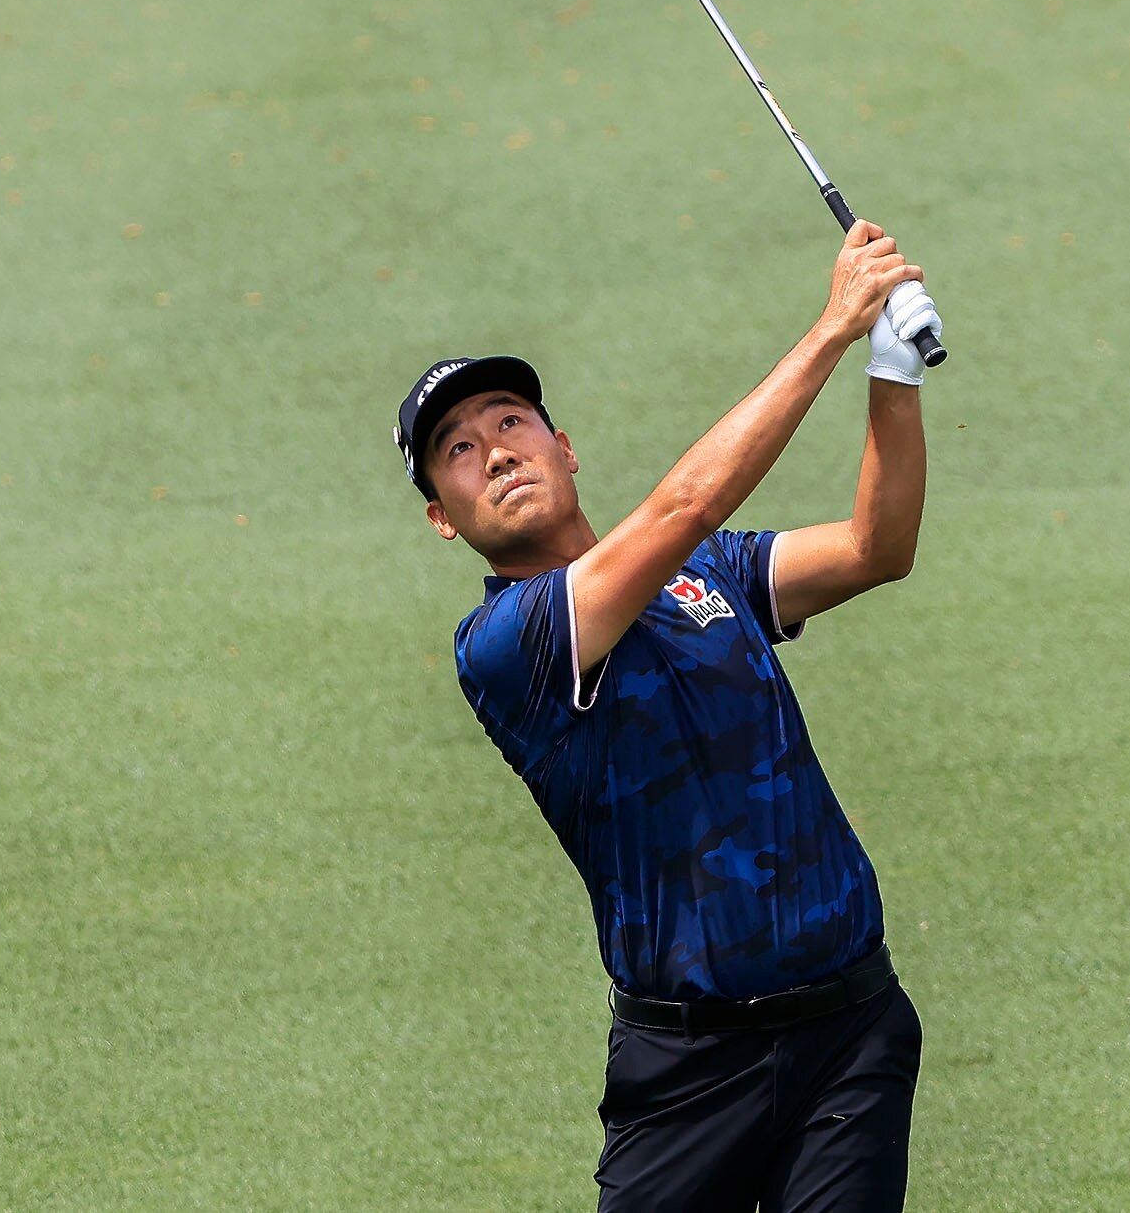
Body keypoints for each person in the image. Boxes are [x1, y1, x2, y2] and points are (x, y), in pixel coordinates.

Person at [392, 220, 940, 1213]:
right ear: (443, 514)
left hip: (850, 1032)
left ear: (563, 446)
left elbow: (875, 547)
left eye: (511, 423)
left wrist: (891, 371)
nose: (495, 453)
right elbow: (681, 506)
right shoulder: (510, 644)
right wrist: (831, 330)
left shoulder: (711, 575)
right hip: (688, 1076)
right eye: (458, 451)